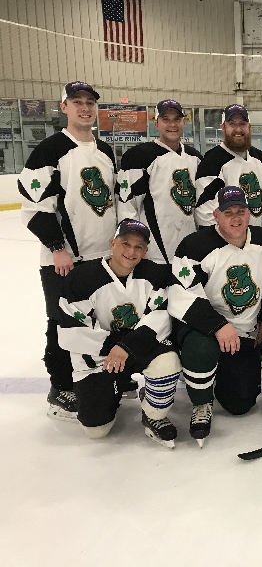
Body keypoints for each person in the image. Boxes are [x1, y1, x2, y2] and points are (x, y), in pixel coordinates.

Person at [18, 81, 117, 421]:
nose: (85, 108)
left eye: (90, 102)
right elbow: (34, 208)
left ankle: (103, 376)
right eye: (77, 102)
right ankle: (60, 386)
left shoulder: (105, 150)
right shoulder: (49, 150)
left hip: (101, 257)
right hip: (64, 260)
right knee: (62, 323)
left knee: (99, 319)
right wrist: (57, 248)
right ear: (64, 107)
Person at [169, 186, 262, 446]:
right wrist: (218, 326)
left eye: (241, 211)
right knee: (201, 349)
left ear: (250, 213)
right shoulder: (195, 246)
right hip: (202, 327)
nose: (235, 218)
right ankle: (201, 402)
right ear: (216, 215)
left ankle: (219, 370)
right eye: (228, 212)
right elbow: (181, 295)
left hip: (243, 331)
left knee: (240, 403)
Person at [57, 219, 180, 447]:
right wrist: (114, 347)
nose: (131, 252)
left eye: (138, 247)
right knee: (96, 430)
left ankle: (153, 414)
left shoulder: (154, 274)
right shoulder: (81, 278)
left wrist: (126, 347)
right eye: (126, 244)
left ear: (145, 251)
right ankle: (109, 393)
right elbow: (71, 332)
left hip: (138, 348)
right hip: (99, 357)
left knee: (168, 361)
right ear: (113, 243)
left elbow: (161, 317)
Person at [117, 99, 202, 263]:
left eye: (177, 119)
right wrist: (133, 248)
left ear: (184, 122)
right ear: (156, 123)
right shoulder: (138, 157)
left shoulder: (195, 157)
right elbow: (127, 206)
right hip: (154, 255)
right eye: (165, 119)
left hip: (190, 252)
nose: (172, 124)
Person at [194, 104, 262, 235]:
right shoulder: (212, 162)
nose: (238, 129)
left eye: (242, 124)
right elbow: (205, 214)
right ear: (223, 127)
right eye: (232, 124)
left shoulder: (260, 158)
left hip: (257, 239)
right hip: (228, 241)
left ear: (249, 127)